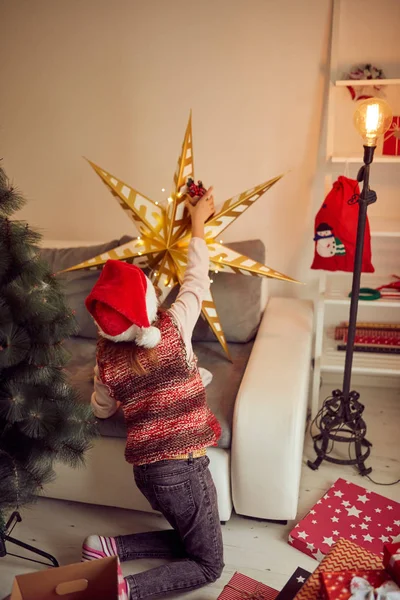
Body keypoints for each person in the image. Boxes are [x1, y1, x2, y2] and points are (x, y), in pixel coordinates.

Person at [82, 188, 224, 600]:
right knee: (209, 563)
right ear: (148, 299)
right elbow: (196, 279)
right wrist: (198, 223)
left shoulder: (104, 360)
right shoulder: (175, 325)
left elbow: (102, 409)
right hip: (183, 469)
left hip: (148, 475)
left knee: (192, 538)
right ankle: (127, 590)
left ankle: (108, 547)